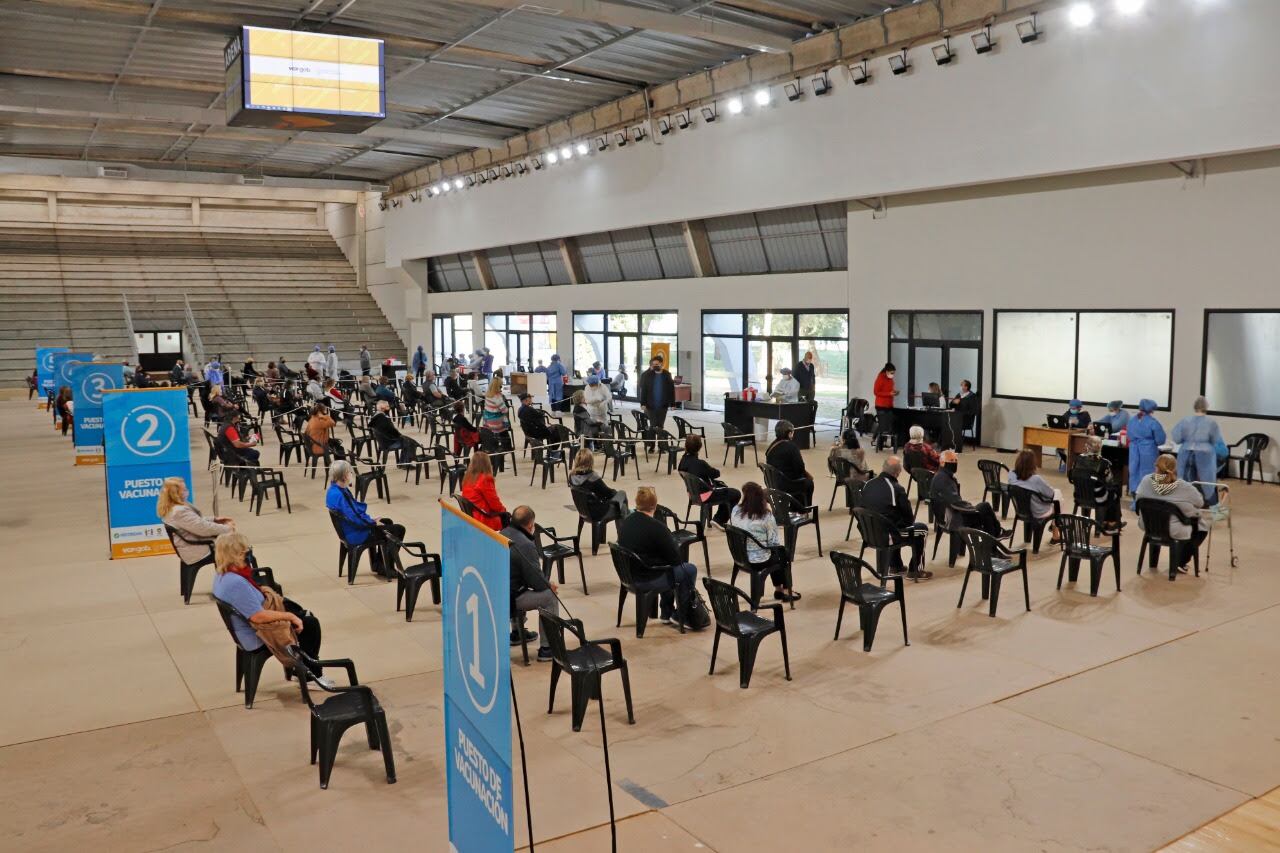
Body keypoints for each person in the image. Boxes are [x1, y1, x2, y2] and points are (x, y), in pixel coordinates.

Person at [211, 532, 322, 662]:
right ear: (239, 554)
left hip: (247, 628)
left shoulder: (221, 574)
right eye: (247, 551)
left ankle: (303, 666)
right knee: (310, 623)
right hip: (256, 634)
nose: (249, 555)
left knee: (302, 614)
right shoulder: (235, 582)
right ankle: (311, 671)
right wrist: (290, 616)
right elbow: (258, 616)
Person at [616, 486, 700, 627]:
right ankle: (680, 616)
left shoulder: (626, 522)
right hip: (646, 579)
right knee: (689, 569)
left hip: (628, 575)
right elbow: (676, 560)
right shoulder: (657, 528)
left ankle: (666, 613)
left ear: (637, 503)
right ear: (655, 505)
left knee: (666, 566)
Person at [325, 460, 406, 577]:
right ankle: (384, 567)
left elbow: (353, 512)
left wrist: (371, 519)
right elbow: (354, 517)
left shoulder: (334, 490)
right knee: (399, 529)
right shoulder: (341, 495)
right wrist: (372, 522)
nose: (351, 475)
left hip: (348, 531)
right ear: (343, 476)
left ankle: (379, 563)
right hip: (357, 534)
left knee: (387, 522)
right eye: (349, 473)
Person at [500, 506, 559, 660]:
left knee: (520, 583)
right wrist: (548, 585)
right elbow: (537, 582)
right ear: (530, 525)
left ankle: (517, 633)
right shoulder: (525, 544)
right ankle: (548, 648)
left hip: (499, 590)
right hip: (510, 598)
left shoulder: (503, 533)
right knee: (550, 596)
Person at [1135, 454, 1211, 573]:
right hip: (1173, 529)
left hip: (1149, 525)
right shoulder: (1184, 486)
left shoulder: (1146, 480)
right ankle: (1180, 561)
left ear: (1156, 466)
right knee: (1202, 528)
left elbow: (1138, 499)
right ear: (1175, 468)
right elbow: (1200, 503)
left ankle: (1153, 562)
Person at [859, 456, 932, 579]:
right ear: (897, 472)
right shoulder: (897, 489)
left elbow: (860, 507)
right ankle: (915, 570)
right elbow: (909, 518)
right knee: (922, 530)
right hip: (886, 536)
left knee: (891, 521)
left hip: (868, 533)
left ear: (883, 468)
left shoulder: (868, 485)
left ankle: (896, 565)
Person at [730, 481, 799, 602]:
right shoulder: (766, 517)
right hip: (758, 560)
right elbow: (773, 543)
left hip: (739, 555)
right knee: (782, 554)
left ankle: (779, 590)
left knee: (777, 553)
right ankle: (785, 590)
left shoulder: (735, 511)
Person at [157, 477, 234, 567]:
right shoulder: (179, 511)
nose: (186, 491)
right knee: (237, 551)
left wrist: (214, 519)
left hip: (190, 545)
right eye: (184, 489)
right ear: (175, 494)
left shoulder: (172, 506)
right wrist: (228, 528)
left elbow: (194, 522)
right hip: (196, 550)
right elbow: (203, 529)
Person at [929, 449, 1005, 537]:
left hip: (948, 515)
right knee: (985, 508)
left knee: (985, 512)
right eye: (951, 460)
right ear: (942, 462)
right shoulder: (943, 479)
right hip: (953, 519)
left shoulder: (942, 475)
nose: (954, 463)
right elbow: (956, 502)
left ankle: (993, 538)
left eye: (956, 460)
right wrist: (972, 509)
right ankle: (995, 538)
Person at [1171, 396, 1224, 504]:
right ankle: (1217, 513)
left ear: (1194, 407)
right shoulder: (1211, 422)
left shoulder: (1185, 420)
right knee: (1209, 483)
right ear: (1206, 407)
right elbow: (1215, 440)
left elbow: (1176, 438)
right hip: (1205, 455)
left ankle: (1186, 508)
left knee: (1186, 483)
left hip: (1186, 454)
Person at [677, 435, 740, 524]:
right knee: (735, 493)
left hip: (692, 494)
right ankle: (719, 520)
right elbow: (715, 474)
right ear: (699, 447)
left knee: (724, 490)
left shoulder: (683, 461)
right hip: (705, 495)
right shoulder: (700, 464)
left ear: (686, 446)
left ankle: (717, 519)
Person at [1008, 448, 1062, 543]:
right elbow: (1051, 494)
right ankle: (1055, 533)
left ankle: (1054, 525)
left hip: (1021, 509)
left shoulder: (1011, 475)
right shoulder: (1036, 479)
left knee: (1056, 498)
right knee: (1058, 495)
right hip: (1037, 512)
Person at [1071, 436, 1122, 532]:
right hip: (1098, 497)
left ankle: (1088, 523)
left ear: (1087, 446)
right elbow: (1109, 480)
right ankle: (1111, 523)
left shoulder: (1077, 459)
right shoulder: (1104, 463)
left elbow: (1072, 476)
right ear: (1100, 448)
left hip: (1079, 494)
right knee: (1114, 491)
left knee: (1107, 490)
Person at [765, 420, 814, 506]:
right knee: (808, 483)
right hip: (785, 483)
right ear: (789, 433)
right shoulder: (792, 447)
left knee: (799, 478)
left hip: (772, 481)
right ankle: (801, 509)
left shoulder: (771, 446)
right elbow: (799, 468)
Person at [1127, 399, 1166, 499]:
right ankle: (1146, 501)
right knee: (1147, 475)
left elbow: (1129, 436)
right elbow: (1160, 440)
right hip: (1148, 451)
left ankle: (1135, 501)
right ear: (1151, 410)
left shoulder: (1132, 420)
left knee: (1134, 473)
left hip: (1134, 450)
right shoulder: (1153, 423)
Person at [460, 451, 508, 531]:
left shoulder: (467, 477)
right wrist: (505, 511)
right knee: (508, 519)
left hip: (471, 515)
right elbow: (494, 504)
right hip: (483, 518)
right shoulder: (485, 479)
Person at [638, 356, 674, 430]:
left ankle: (661, 441)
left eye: (657, 364)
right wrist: (643, 403)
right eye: (653, 364)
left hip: (663, 405)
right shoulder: (648, 375)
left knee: (660, 425)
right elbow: (644, 390)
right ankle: (651, 441)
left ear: (661, 364)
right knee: (653, 425)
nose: (655, 366)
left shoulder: (667, 374)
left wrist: (672, 404)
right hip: (650, 405)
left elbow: (671, 390)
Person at [873, 362, 900, 451]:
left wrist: (894, 392)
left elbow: (889, 389)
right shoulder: (880, 378)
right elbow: (876, 392)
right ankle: (878, 443)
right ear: (887, 371)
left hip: (889, 404)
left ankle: (881, 441)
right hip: (881, 405)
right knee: (882, 424)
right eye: (891, 373)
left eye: (893, 373)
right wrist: (889, 393)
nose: (892, 375)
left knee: (888, 423)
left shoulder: (890, 379)